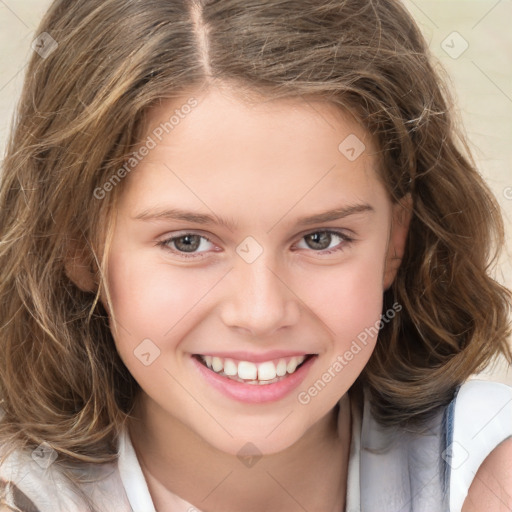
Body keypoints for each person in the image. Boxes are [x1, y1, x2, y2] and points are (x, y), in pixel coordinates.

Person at [0, 0, 511, 511]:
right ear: (78, 247)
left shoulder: (488, 471)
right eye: (188, 242)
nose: (261, 312)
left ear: (394, 242)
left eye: (320, 239)